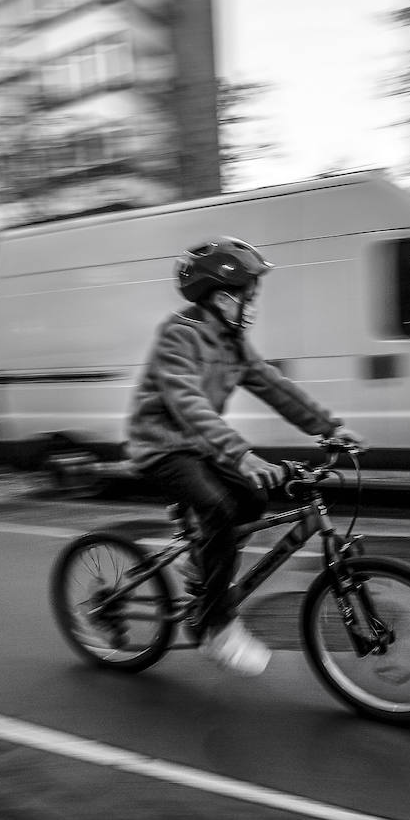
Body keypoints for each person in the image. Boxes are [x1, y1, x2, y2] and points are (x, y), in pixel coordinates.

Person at [126, 236, 365, 676]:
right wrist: (240, 455)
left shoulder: (233, 343)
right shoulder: (178, 337)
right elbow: (188, 405)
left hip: (200, 445)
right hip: (161, 445)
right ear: (222, 298)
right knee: (218, 507)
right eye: (249, 296)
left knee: (253, 499)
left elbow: (274, 386)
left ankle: (201, 565)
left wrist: (329, 428)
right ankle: (216, 628)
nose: (254, 305)